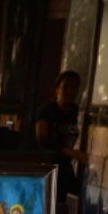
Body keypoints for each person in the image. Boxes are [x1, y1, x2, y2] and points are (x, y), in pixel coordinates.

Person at [34, 70, 87, 202]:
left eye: (75, 88)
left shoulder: (74, 111)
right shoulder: (47, 111)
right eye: (66, 86)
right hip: (46, 166)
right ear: (57, 89)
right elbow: (43, 140)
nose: (70, 91)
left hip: (65, 166)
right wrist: (71, 152)